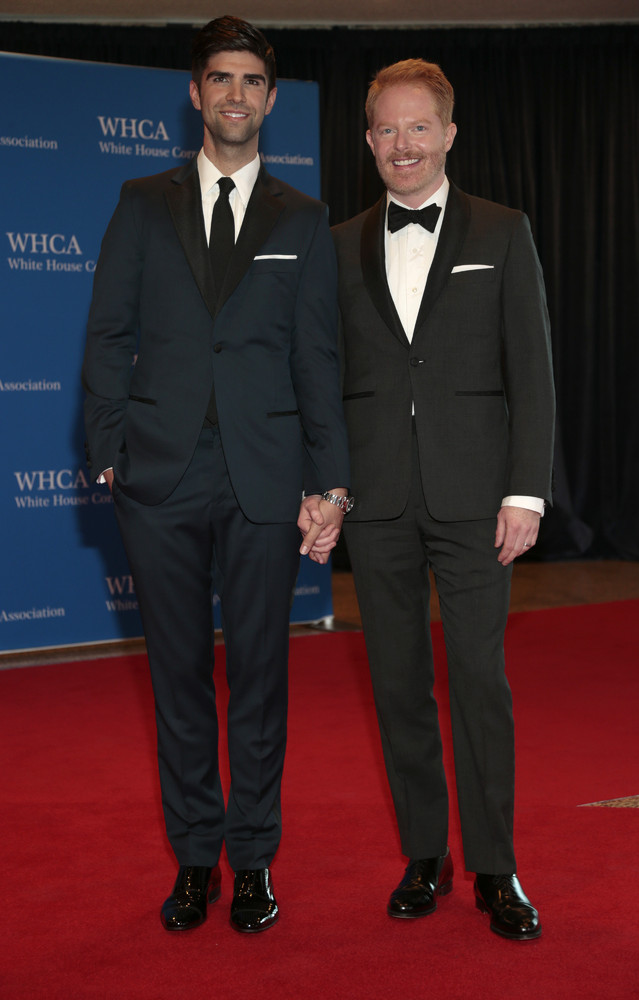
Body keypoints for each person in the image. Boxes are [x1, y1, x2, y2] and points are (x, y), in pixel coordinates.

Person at [82, 15, 350, 935]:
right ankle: (195, 858)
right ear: (195, 94)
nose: (234, 94)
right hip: (158, 478)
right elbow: (109, 336)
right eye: (219, 79)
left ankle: (254, 862)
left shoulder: (303, 219)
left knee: (263, 679)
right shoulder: (139, 201)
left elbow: (318, 360)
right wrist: (110, 450)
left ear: (269, 100)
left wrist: (333, 481)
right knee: (179, 677)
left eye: (250, 81)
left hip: (266, 480)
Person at [332, 58, 555, 941]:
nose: (402, 144)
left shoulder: (504, 231)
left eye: (418, 126)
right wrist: (330, 483)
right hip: (378, 499)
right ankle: (424, 854)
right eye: (385, 129)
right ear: (368, 141)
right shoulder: (341, 240)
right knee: (397, 686)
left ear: (450, 134)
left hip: (475, 499)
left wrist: (526, 492)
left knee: (479, 683)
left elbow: (531, 373)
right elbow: (330, 376)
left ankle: (495, 867)